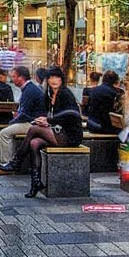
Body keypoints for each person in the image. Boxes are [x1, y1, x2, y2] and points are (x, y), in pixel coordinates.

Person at [18, 67, 84, 196]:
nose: (54, 80)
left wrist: (49, 121)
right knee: (34, 143)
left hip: (71, 135)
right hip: (59, 132)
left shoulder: (65, 94)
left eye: (57, 77)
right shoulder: (48, 95)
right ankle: (36, 183)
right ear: (47, 80)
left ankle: (17, 161)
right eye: (51, 77)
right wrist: (43, 121)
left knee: (33, 130)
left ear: (61, 79)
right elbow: (48, 116)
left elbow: (69, 115)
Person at [0, 67, 45, 174]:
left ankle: (7, 163)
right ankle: (10, 160)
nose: (12, 79)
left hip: (33, 123)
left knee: (4, 133)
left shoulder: (29, 90)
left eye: (14, 76)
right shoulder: (29, 88)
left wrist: (12, 122)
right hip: (32, 121)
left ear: (21, 78)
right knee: (9, 130)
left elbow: (25, 115)